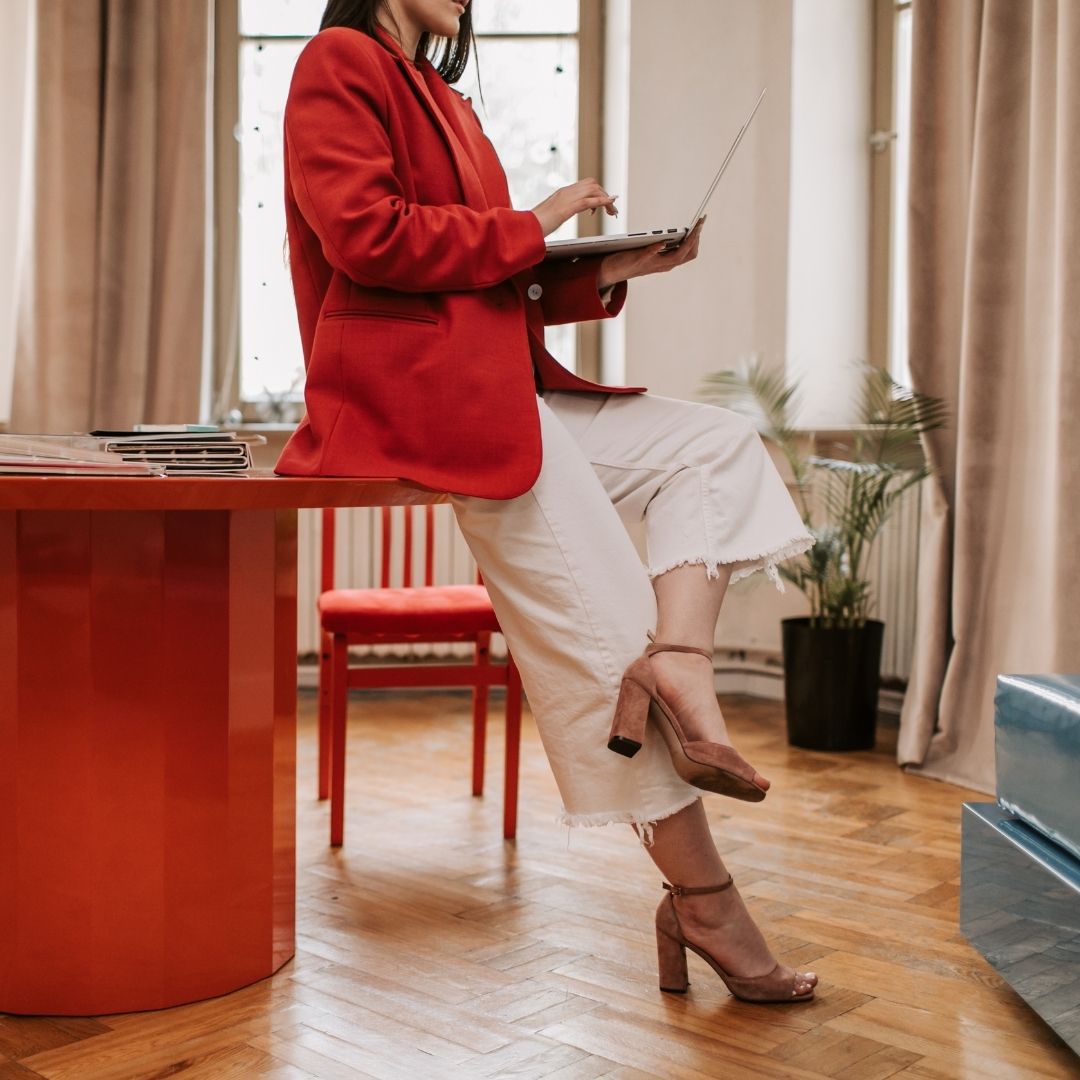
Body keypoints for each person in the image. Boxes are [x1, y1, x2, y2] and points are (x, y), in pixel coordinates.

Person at [277, 0, 819, 1002]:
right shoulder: (336, 65)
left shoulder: (445, 97)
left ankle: (682, 662)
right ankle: (706, 902)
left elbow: (488, 278)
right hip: (434, 404)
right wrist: (542, 219)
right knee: (605, 635)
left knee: (714, 444)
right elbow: (368, 239)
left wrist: (611, 267)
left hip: (506, 388)